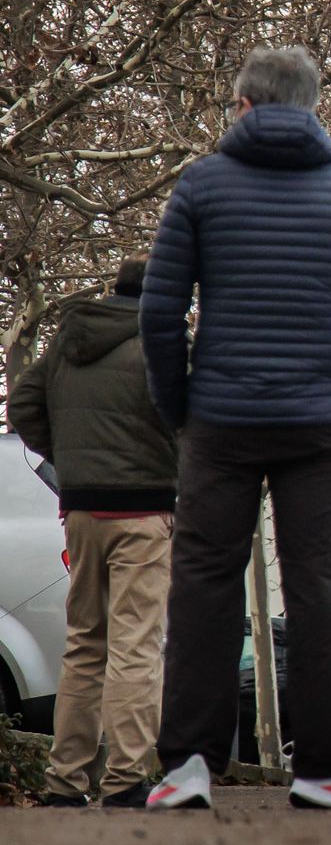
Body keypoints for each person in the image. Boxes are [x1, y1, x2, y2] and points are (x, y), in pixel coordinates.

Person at [139, 46, 331, 810]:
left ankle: (188, 766)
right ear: (313, 107)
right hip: (315, 420)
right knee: (321, 585)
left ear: (245, 105)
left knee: (204, 583)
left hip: (219, 417)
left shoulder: (202, 185)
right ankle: (323, 767)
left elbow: (160, 312)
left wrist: (179, 403)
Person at [7, 256, 177, 808]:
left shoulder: (69, 340)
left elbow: (24, 404)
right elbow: (187, 418)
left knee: (84, 645)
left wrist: (68, 461)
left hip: (79, 511)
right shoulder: (163, 344)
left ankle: (65, 780)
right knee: (135, 644)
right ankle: (126, 777)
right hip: (144, 513)